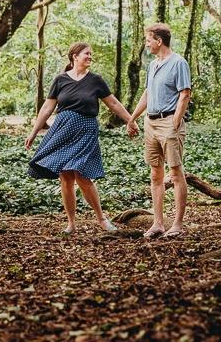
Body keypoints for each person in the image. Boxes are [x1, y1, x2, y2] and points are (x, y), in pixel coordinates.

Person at [26, 42, 139, 234]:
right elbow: (47, 108)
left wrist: (131, 120)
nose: (90, 57)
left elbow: (112, 103)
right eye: (86, 54)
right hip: (62, 130)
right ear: (74, 56)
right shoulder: (60, 80)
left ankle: (102, 219)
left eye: (90, 54)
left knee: (82, 176)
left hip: (85, 130)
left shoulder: (96, 80)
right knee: (65, 177)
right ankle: (71, 223)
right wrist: (34, 131)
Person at [128, 22, 192, 239]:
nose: (146, 45)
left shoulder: (178, 63)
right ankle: (157, 223)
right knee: (156, 173)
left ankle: (177, 224)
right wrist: (133, 118)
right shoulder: (153, 65)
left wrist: (175, 121)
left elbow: (185, 93)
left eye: (148, 40)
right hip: (150, 123)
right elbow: (148, 93)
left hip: (169, 122)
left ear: (159, 41)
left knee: (175, 173)